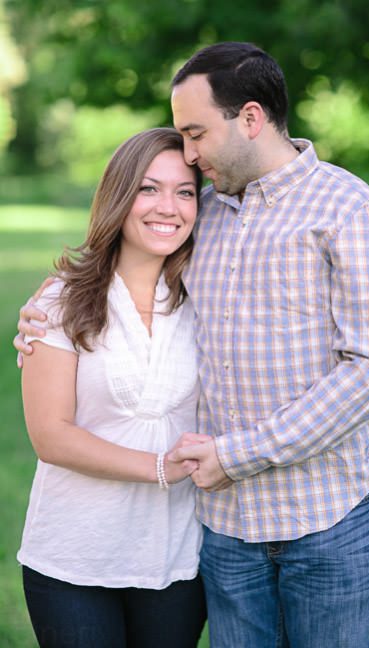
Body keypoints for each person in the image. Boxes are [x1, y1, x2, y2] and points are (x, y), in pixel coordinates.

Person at [17, 42, 369, 647]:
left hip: (329, 513)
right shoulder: (209, 211)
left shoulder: (353, 211)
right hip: (226, 529)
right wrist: (52, 305)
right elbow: (133, 241)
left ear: (250, 118)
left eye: (196, 133)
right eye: (183, 138)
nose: (190, 155)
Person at [18, 127, 208, 647]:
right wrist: (160, 468)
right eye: (148, 189)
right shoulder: (63, 299)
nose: (167, 207)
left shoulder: (209, 297)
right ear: (119, 197)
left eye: (185, 191)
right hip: (73, 557)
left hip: (174, 557)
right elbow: (50, 436)